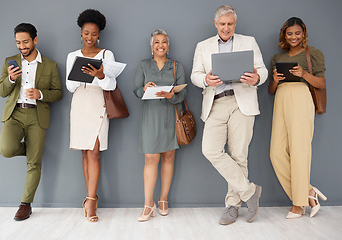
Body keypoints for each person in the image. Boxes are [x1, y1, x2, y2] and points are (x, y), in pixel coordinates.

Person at [191, 5, 268, 225]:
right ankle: (250, 191)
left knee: (239, 155)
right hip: (215, 102)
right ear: (216, 24)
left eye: (230, 24)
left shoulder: (249, 41)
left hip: (241, 101)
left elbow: (262, 70)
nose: (226, 28)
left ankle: (232, 206)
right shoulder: (203, 46)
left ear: (235, 24)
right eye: (222, 24)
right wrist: (205, 79)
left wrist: (257, 78)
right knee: (210, 150)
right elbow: (195, 74)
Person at [0, 23, 62, 221]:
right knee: (6, 149)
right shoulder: (10, 61)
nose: (22, 46)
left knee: (34, 164)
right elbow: (1, 91)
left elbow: (58, 93)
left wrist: (40, 93)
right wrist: (9, 79)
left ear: (35, 39)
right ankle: (35, 148)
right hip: (15, 114)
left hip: (37, 115)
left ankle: (25, 204)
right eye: (18, 42)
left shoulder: (50, 65)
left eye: (25, 41)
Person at [269, 17, 327, 219]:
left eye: (297, 33)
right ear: (284, 35)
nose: (293, 37)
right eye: (289, 33)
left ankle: (299, 204)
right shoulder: (277, 58)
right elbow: (270, 90)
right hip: (281, 100)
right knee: (276, 154)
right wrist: (275, 81)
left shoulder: (313, 54)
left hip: (302, 99)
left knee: (299, 152)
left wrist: (303, 73)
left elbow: (321, 83)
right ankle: (309, 191)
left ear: (303, 33)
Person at [66, 9, 116, 223]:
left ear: (99, 35)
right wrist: (83, 74)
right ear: (81, 32)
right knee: (85, 153)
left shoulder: (107, 55)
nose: (90, 37)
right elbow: (69, 87)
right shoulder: (72, 56)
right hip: (80, 104)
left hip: (99, 104)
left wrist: (100, 75)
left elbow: (112, 85)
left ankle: (91, 201)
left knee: (95, 152)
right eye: (86, 33)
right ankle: (90, 197)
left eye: (94, 34)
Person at [134, 29, 187, 222]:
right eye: (156, 42)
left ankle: (163, 199)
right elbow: (136, 90)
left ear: (168, 45)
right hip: (151, 116)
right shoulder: (143, 65)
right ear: (151, 46)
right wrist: (144, 89)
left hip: (170, 116)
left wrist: (172, 95)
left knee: (169, 157)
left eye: (164, 42)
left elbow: (183, 94)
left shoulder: (176, 66)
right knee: (150, 159)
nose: (160, 45)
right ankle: (148, 204)